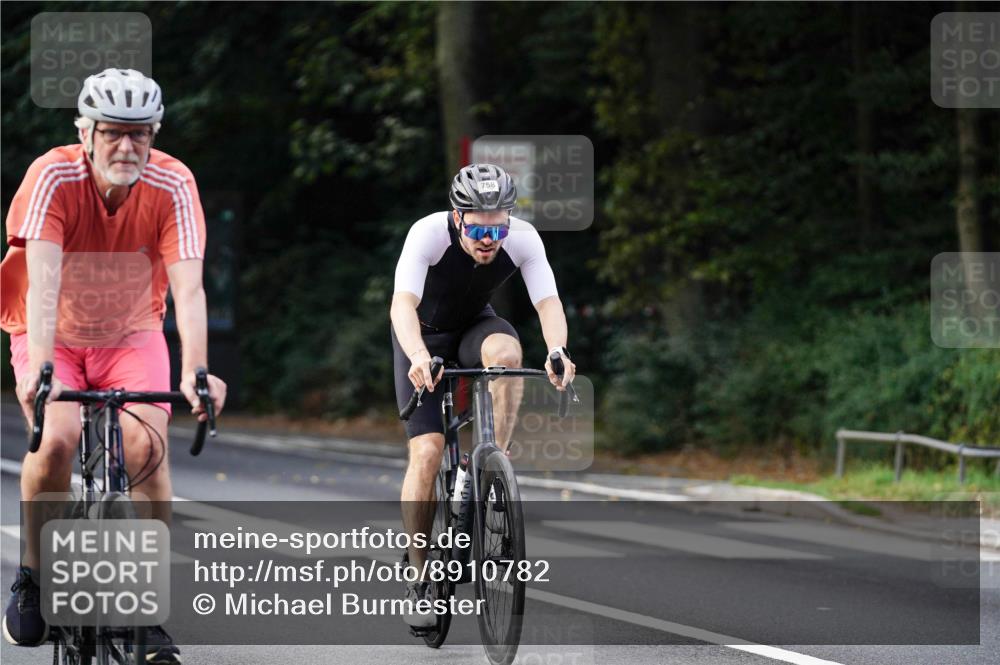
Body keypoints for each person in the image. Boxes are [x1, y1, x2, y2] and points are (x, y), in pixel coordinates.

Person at [1, 68, 226, 664]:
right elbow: (43, 284)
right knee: (55, 441)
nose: (127, 147)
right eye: (112, 133)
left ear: (154, 135)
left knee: (145, 447)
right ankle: (33, 573)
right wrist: (41, 371)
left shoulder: (173, 184)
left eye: (140, 134)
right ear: (85, 131)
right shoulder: (52, 176)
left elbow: (190, 288)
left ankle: (147, 610)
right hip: (51, 331)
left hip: (131, 332)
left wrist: (197, 372)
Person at [390, 163, 576, 628]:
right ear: (457, 218)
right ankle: (418, 575)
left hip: (474, 326)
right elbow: (402, 304)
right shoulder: (428, 234)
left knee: (507, 352)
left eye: (498, 227)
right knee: (428, 452)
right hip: (422, 338)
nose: (488, 238)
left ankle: (491, 463)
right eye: (476, 227)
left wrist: (557, 350)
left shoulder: (525, 239)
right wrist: (416, 355)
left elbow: (548, 302)